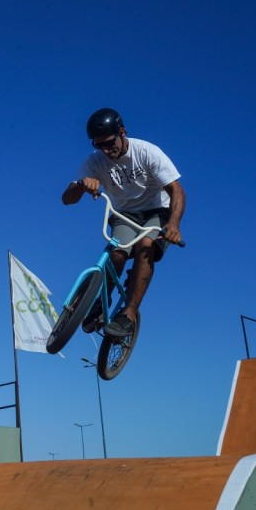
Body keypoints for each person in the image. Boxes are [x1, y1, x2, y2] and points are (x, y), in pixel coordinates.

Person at [61, 107, 186, 339]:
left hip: (157, 210)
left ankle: (128, 314)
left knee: (146, 247)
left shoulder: (147, 152)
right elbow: (66, 200)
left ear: (122, 132)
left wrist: (174, 225)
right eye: (99, 145)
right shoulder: (95, 162)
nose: (106, 150)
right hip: (126, 213)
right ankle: (100, 304)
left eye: (109, 143)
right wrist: (80, 185)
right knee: (117, 253)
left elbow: (177, 190)